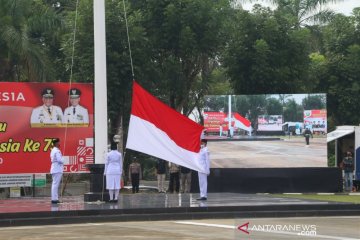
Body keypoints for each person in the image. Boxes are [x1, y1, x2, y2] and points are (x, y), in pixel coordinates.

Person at [50, 138, 64, 204]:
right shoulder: (57, 151)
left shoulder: (53, 150)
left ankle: (54, 198)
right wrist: (64, 160)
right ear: (56, 143)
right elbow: (59, 160)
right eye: (59, 142)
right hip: (57, 169)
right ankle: (54, 199)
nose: (59, 143)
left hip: (54, 169)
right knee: (55, 185)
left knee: (54, 184)